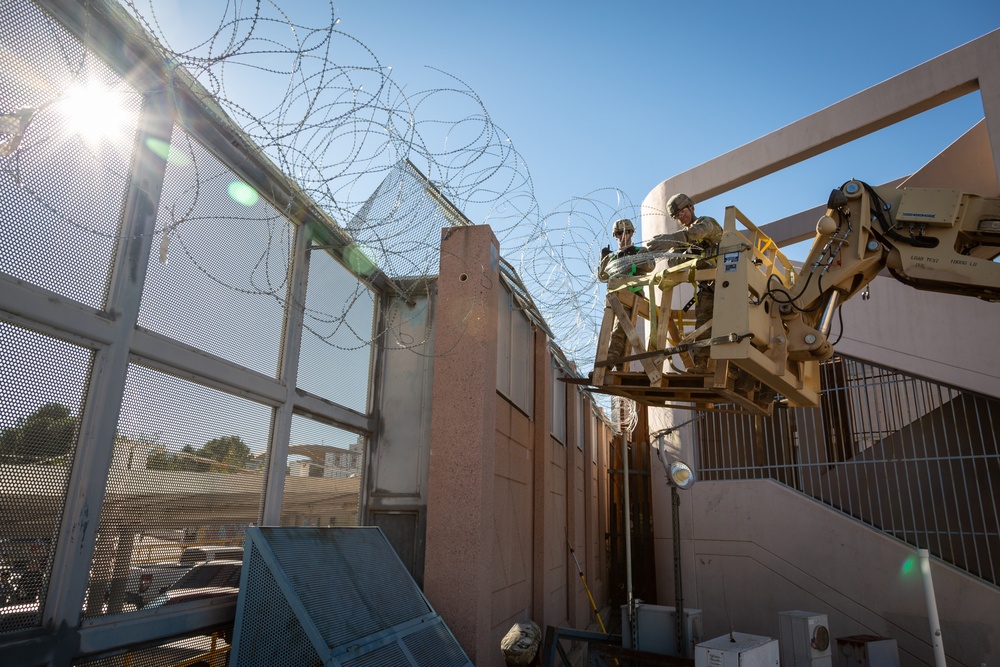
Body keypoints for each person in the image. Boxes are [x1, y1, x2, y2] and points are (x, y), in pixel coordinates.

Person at [646, 193, 723, 371]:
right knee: (702, 326)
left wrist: (673, 240)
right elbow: (674, 262)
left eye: (682, 211)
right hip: (708, 288)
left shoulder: (706, 222)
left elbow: (697, 233)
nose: (681, 217)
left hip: (728, 283)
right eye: (676, 215)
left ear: (692, 208)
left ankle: (735, 370)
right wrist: (676, 249)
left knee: (732, 326)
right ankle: (701, 366)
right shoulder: (684, 241)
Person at [597, 218, 655, 371]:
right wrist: (603, 260)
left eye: (626, 232)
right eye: (619, 233)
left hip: (632, 295)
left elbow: (650, 266)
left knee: (619, 329)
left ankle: (609, 361)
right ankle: (620, 363)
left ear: (631, 234)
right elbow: (602, 277)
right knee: (612, 331)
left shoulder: (639, 251)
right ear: (615, 235)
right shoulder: (612, 257)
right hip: (614, 297)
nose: (623, 236)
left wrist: (633, 258)